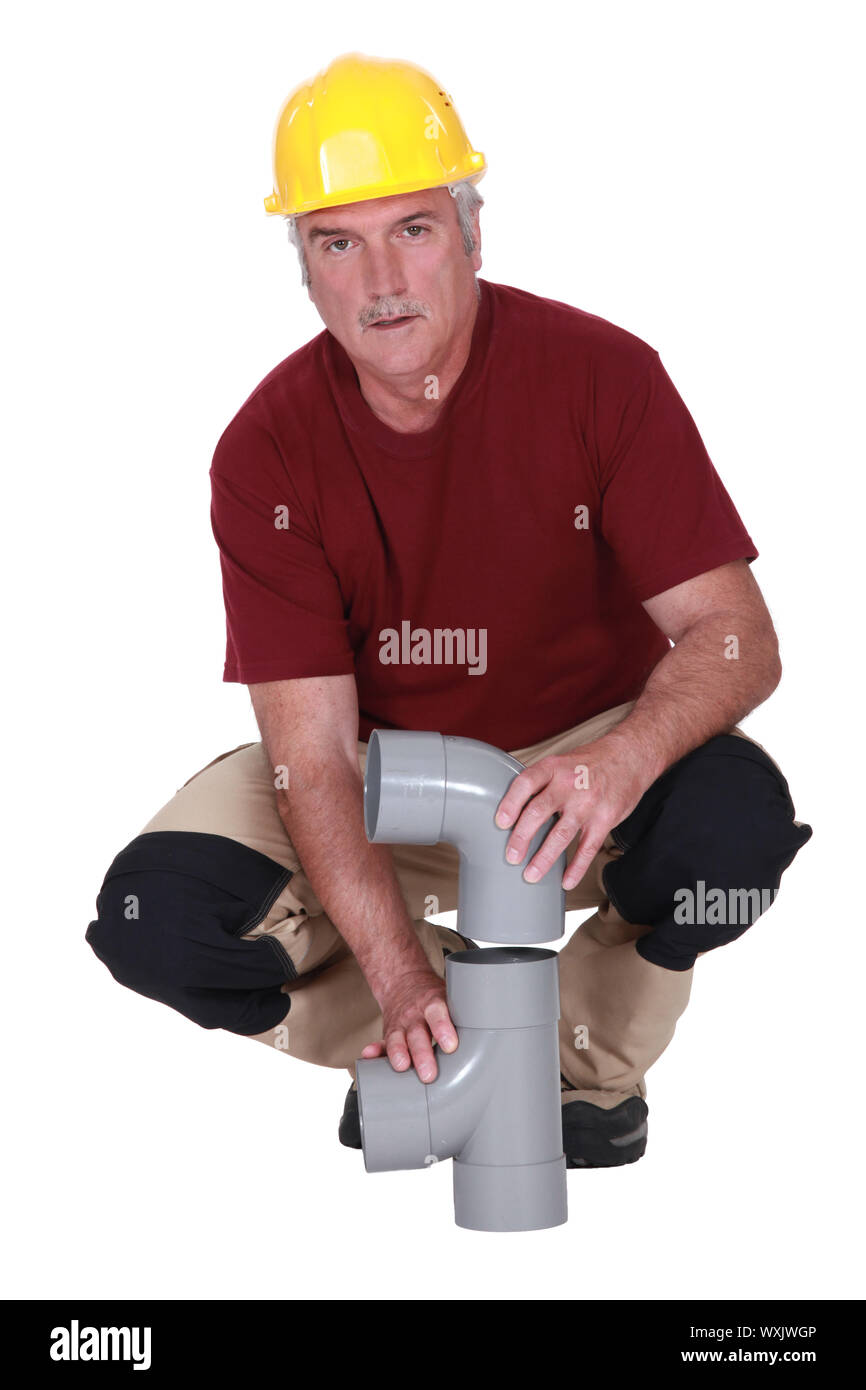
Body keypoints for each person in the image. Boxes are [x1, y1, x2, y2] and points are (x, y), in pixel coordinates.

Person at [85, 52, 812, 1168]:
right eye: (338, 242)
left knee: (731, 834)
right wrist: (399, 971)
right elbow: (312, 753)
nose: (381, 277)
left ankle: (579, 1068)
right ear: (307, 271)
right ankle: (428, 1048)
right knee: (156, 919)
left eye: (413, 230)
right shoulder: (265, 448)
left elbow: (733, 636)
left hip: (580, 767)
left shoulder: (600, 378)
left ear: (472, 235)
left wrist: (619, 761)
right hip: (384, 777)